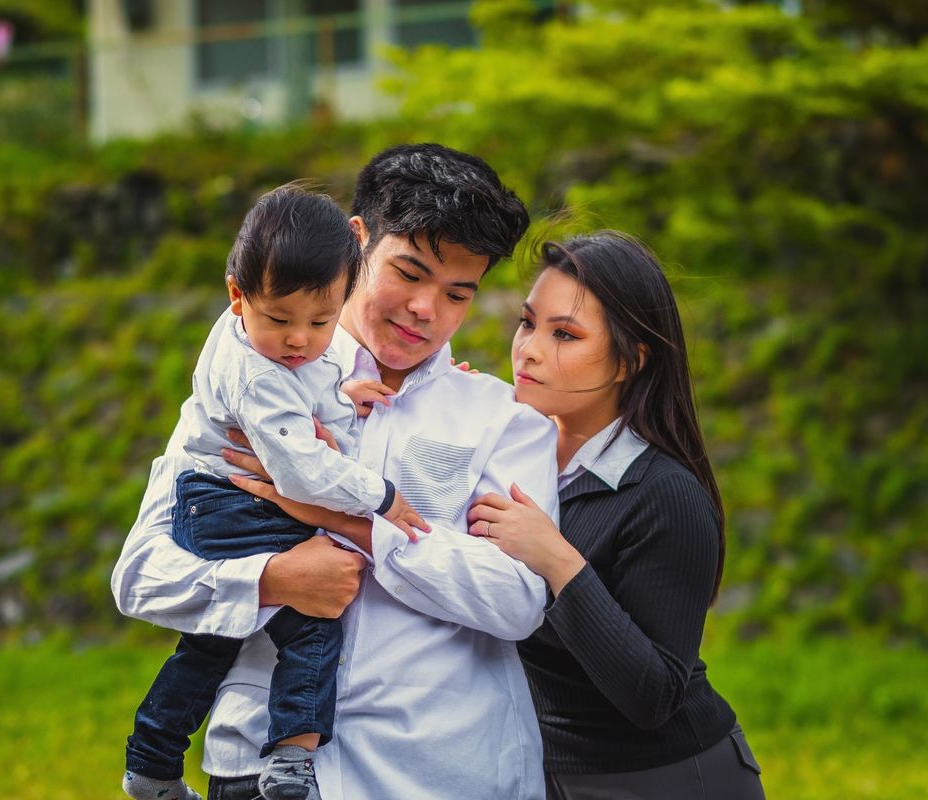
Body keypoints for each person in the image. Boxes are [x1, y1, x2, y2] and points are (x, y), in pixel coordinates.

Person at [112, 143, 559, 800]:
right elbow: (140, 578)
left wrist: (355, 525)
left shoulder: (501, 421)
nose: (425, 308)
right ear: (357, 243)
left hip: (436, 774)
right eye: (409, 273)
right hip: (257, 770)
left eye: (457, 293)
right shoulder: (237, 394)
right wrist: (271, 580)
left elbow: (518, 601)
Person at [122, 185, 429, 800]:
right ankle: (291, 759)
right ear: (237, 295)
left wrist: (339, 396)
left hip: (214, 501)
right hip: (230, 502)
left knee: (213, 639)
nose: (299, 341)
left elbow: (301, 397)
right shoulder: (258, 375)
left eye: (320, 322)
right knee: (313, 624)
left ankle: (151, 763)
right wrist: (380, 494)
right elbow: (301, 471)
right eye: (281, 320)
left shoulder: (261, 341)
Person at [467, 232, 767, 799]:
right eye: (528, 323)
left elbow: (653, 696)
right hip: (543, 773)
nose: (528, 349)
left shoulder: (664, 495)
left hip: (668, 779)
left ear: (631, 359)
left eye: (564, 334)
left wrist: (558, 561)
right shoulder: (503, 456)